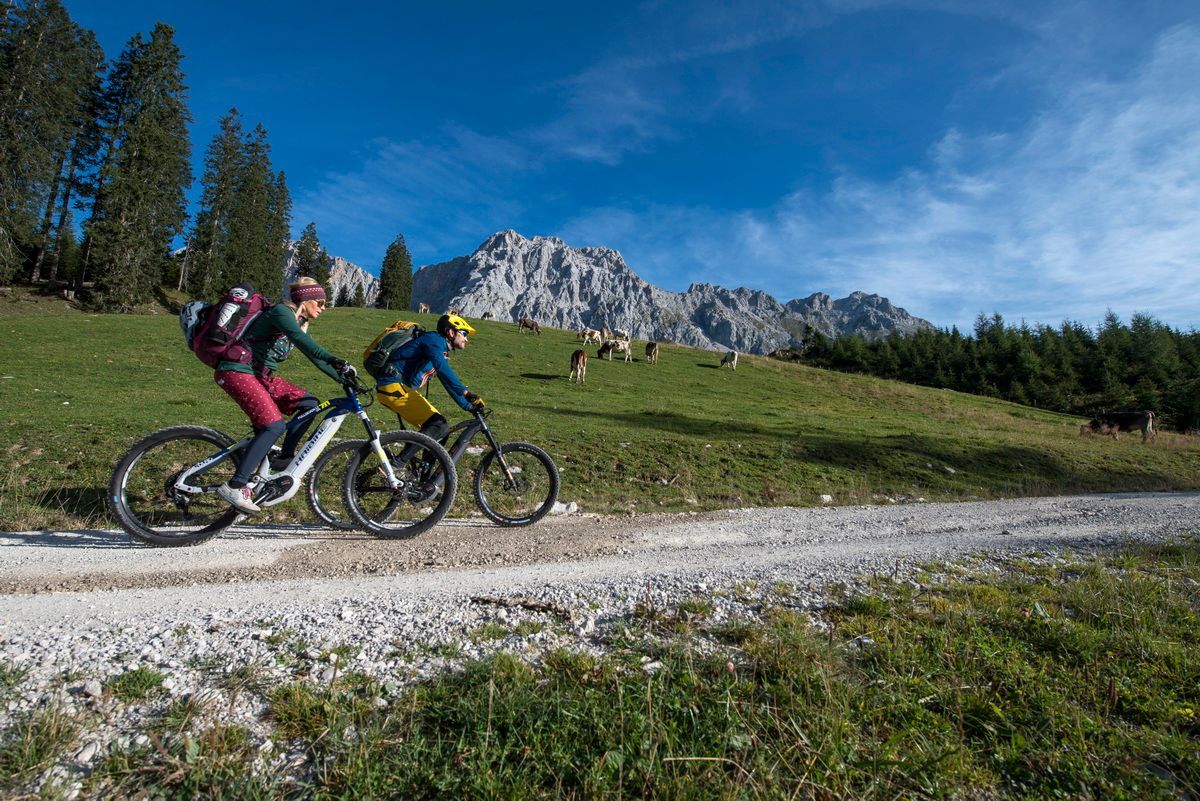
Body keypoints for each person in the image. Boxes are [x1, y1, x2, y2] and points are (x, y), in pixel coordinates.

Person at [214, 277, 354, 513]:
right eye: (319, 302)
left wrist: (346, 380)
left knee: (310, 404)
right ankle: (235, 485)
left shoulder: (299, 322)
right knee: (273, 426)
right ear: (306, 299)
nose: (323, 307)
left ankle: (284, 458)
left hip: (262, 377)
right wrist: (335, 359)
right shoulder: (281, 312)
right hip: (238, 371)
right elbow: (304, 342)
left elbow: (313, 357)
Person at [374, 312, 483, 445]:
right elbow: (443, 369)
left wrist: (468, 406)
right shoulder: (434, 340)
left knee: (442, 430)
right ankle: (398, 462)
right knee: (438, 426)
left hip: (398, 388)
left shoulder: (439, 347)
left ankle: (424, 466)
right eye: (464, 334)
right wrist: (466, 393)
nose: (466, 339)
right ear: (451, 332)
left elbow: (446, 380)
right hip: (392, 386)